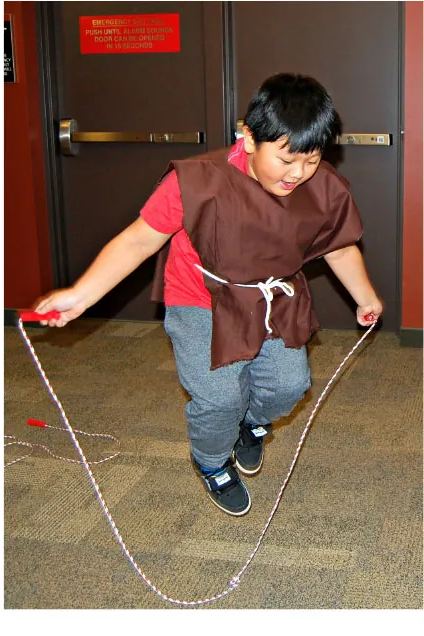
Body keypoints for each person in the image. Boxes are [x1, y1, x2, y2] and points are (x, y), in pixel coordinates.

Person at [34, 73, 382, 517]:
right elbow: (139, 240)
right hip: (201, 297)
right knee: (220, 399)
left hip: (272, 297)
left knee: (289, 386)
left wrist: (364, 297)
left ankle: (252, 428)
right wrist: (81, 295)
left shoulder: (322, 185)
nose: (298, 174)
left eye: (311, 160)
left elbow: (340, 245)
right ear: (249, 137)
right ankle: (212, 461)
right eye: (287, 159)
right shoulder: (197, 182)